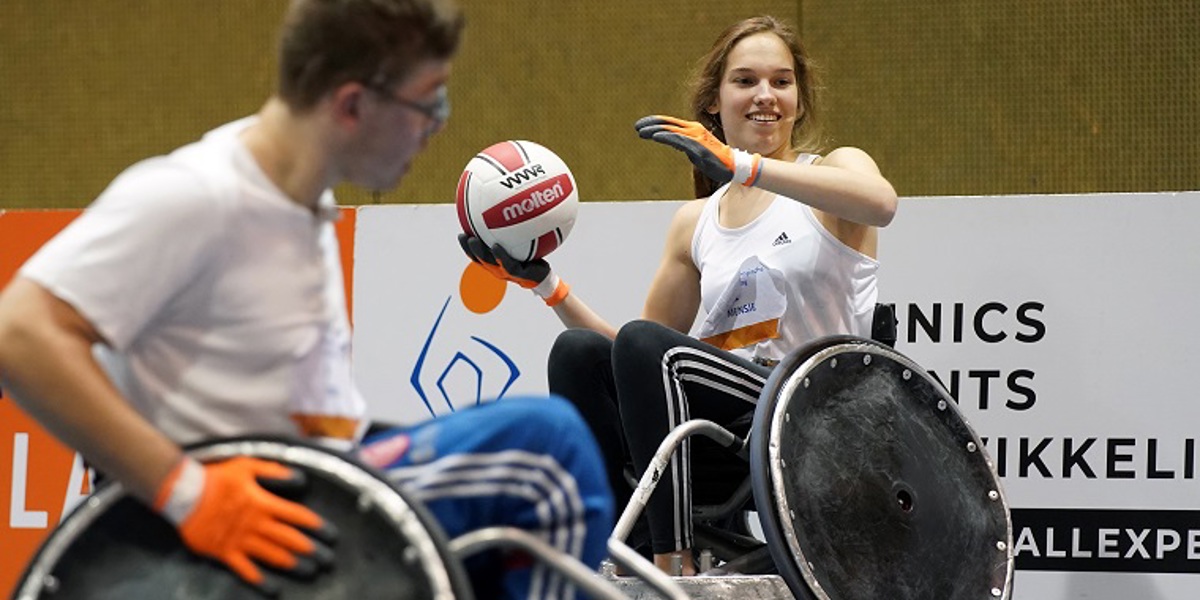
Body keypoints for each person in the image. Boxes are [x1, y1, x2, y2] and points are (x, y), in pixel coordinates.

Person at [0, 1, 611, 598]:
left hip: (319, 480)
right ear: (351, 104)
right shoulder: (198, 195)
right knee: (548, 455)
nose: (439, 125)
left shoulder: (298, 204)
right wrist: (187, 493)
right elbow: (19, 335)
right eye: (430, 101)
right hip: (267, 516)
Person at [458, 15, 897, 575]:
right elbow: (633, 355)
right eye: (745, 81)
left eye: (781, 82)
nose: (765, 96)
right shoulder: (695, 222)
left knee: (647, 345)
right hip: (718, 423)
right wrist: (547, 285)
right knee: (579, 353)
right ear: (714, 102)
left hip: (808, 410)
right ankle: (618, 545)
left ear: (800, 101)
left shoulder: (835, 172)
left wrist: (746, 166)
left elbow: (880, 203)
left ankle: (672, 558)